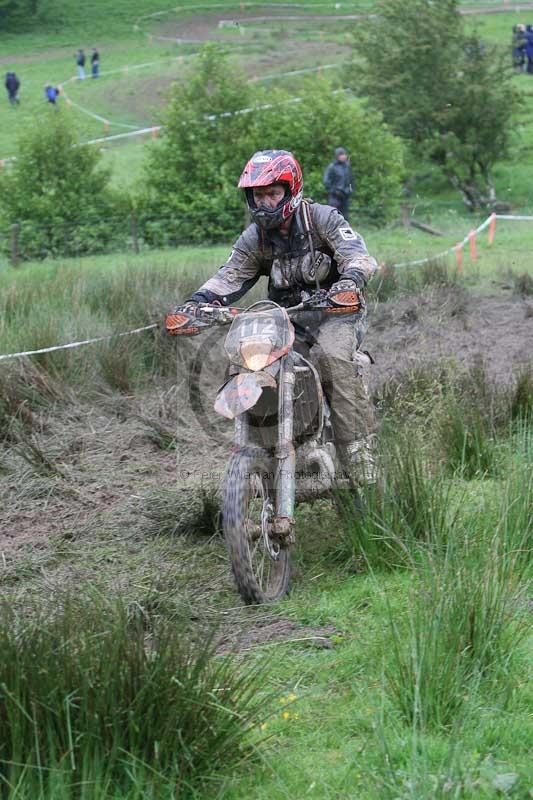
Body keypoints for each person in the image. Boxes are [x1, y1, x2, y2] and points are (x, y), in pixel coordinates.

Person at [183, 150, 378, 483]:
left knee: (330, 357)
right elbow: (231, 274)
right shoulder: (254, 237)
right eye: (258, 195)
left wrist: (349, 282)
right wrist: (196, 303)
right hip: (285, 320)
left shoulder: (322, 219)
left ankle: (356, 449)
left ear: (291, 191)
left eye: (272, 194)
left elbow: (358, 256)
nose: (264, 203)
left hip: (335, 314)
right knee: (249, 362)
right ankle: (261, 447)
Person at [323, 146, 354, 221]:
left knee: (345, 217)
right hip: (335, 196)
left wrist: (350, 190)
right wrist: (334, 191)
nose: (343, 156)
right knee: (334, 216)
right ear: (337, 156)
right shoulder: (332, 167)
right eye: (341, 154)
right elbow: (326, 181)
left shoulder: (347, 167)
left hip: (345, 196)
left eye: (344, 154)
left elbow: (351, 181)